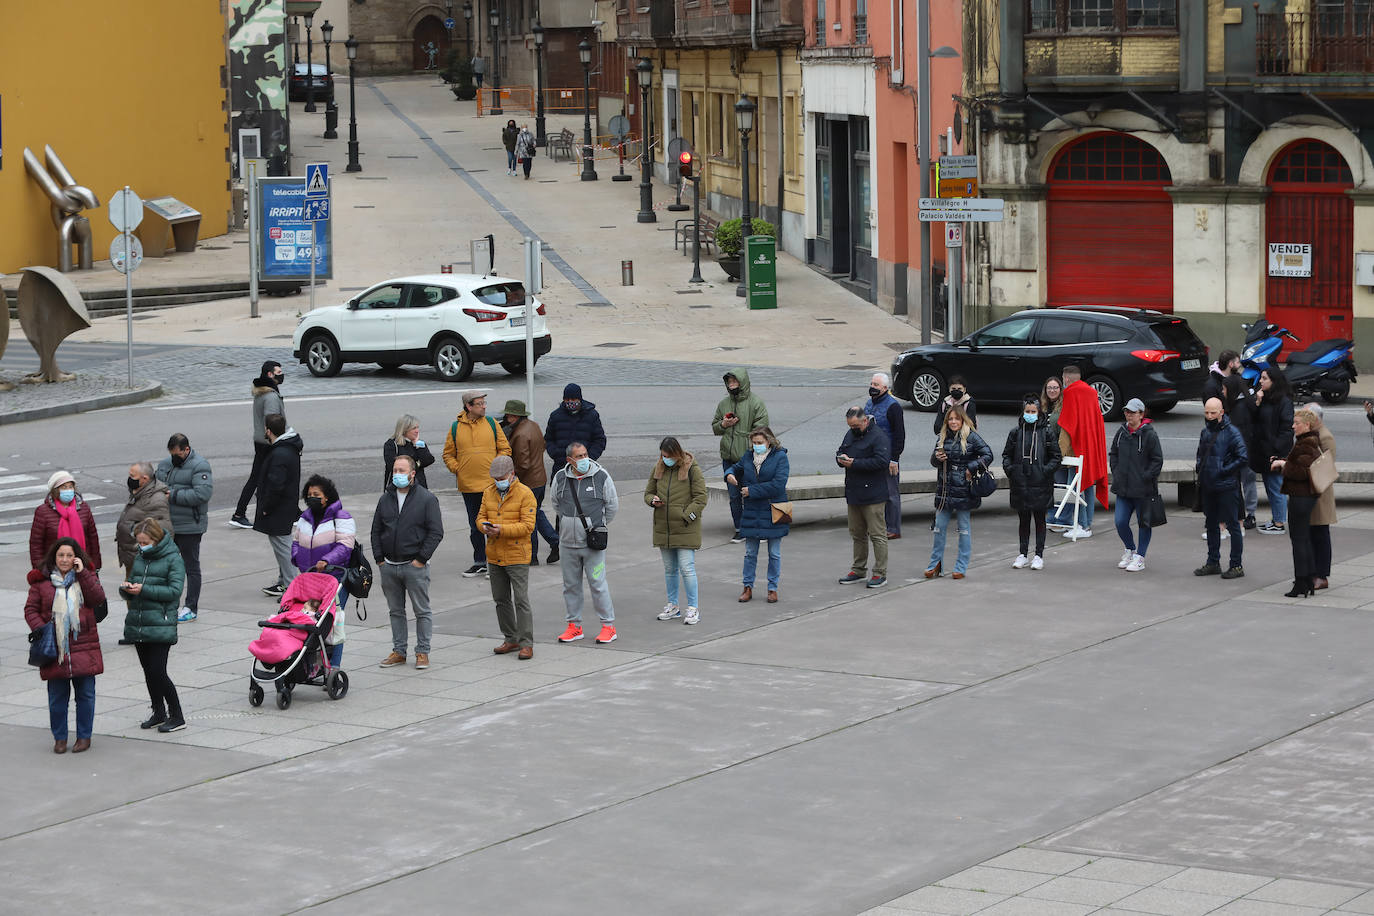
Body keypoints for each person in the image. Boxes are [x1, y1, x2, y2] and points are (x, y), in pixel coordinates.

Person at [25, 537, 105, 754]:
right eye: (61, 555)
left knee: (86, 696)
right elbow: (30, 610)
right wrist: (43, 629)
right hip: (55, 649)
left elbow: (98, 598)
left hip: (84, 646)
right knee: (57, 699)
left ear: (76, 557)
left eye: (69, 555)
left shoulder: (84, 577)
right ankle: (60, 738)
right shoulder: (41, 583)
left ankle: (84, 737)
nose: (65, 559)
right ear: (54, 557)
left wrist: (84, 573)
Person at [373, 455, 445, 670]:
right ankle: (399, 651)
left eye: (402, 471)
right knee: (396, 611)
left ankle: (422, 652)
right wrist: (379, 560)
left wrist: (420, 560)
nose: (397, 475)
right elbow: (376, 530)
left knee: (421, 611)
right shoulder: (385, 499)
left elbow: (436, 532)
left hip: (414, 566)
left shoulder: (427, 499)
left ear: (413, 474)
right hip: (389, 566)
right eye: (395, 470)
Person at [121, 518, 187, 733]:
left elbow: (174, 592)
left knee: (159, 671)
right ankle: (158, 711)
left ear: (156, 539)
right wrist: (126, 589)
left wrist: (144, 590)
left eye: (145, 542)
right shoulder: (141, 558)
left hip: (161, 623)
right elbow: (134, 580)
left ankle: (177, 715)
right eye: (139, 542)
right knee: (148, 671)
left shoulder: (173, 559)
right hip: (140, 621)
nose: (141, 546)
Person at [550, 442, 619, 644]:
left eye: (585, 454)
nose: (584, 459)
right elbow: (556, 503)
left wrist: (597, 525)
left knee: (598, 585)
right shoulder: (560, 478)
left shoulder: (601, 476)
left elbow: (612, 506)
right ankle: (574, 626)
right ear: (569, 460)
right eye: (579, 456)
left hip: (592, 545)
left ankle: (608, 626)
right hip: (567, 544)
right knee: (570, 586)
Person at [443, 390, 512, 577]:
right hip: (468, 485)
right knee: (475, 526)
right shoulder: (456, 427)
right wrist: (458, 468)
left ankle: (496, 563)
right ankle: (480, 561)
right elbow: (448, 454)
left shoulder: (491, 424)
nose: (484, 406)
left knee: (494, 524)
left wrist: (497, 468)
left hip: (491, 485)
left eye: (484, 403)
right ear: (469, 406)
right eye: (480, 403)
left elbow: (504, 448)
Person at [291, 474, 356, 667]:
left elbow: (345, 545)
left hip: (334, 579)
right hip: (309, 578)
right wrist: (296, 557)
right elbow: (296, 541)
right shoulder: (304, 518)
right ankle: (313, 664)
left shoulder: (341, 517)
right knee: (309, 620)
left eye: (316, 494)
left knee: (332, 624)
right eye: (309, 494)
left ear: (326, 497)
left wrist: (326, 560)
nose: (312, 497)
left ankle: (333, 666)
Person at [479, 456, 538, 659]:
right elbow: (479, 517)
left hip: (517, 555)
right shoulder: (488, 492)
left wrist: (501, 530)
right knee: (501, 599)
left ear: (512, 474)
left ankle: (526, 643)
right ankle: (510, 638)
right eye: (494, 477)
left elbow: (528, 526)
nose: (497, 481)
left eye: (501, 477)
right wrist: (484, 527)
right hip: (494, 554)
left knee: (521, 599)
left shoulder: (525, 494)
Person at [645, 436, 708, 622]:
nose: (665, 458)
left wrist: (686, 516)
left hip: (685, 528)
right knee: (669, 569)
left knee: (687, 568)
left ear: (677, 453)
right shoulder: (658, 468)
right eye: (663, 455)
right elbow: (648, 493)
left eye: (668, 455)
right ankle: (673, 605)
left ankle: (693, 607)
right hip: (664, 528)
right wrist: (652, 501)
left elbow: (701, 498)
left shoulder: (692, 468)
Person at [927, 406, 993, 580]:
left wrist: (971, 467)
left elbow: (988, 454)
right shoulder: (942, 437)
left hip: (964, 489)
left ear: (963, 420)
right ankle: (935, 564)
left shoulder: (971, 436)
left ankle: (961, 566)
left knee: (963, 529)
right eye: (950, 419)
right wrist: (936, 458)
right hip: (945, 489)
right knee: (938, 528)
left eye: (957, 419)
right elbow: (933, 461)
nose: (953, 422)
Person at [726, 427, 789, 603]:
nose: (756, 446)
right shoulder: (748, 456)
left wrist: (751, 490)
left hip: (775, 508)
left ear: (769, 441)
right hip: (753, 510)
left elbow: (778, 484)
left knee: (774, 553)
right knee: (750, 553)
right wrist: (729, 474)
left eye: (759, 443)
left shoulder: (780, 457)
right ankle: (747, 587)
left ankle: (772, 588)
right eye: (754, 443)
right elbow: (735, 468)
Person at [157, 434, 213, 622]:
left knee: (191, 567)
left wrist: (172, 495)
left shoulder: (200, 465)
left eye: (177, 453)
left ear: (186, 449)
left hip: (190, 525)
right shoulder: (166, 464)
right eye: (171, 453)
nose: (174, 457)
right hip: (167, 524)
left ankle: (191, 607)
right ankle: (165, 605)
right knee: (164, 566)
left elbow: (202, 494)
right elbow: (156, 485)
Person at [1003, 396, 1063, 570]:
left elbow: (1056, 457)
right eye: (1027, 411)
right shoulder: (1016, 432)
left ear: (1039, 412)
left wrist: (1044, 471)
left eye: (1033, 412)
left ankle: (1039, 554)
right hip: (1020, 482)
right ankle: (1022, 553)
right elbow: (1007, 454)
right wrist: (1011, 470)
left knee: (1039, 520)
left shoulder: (1047, 432)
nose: (1030, 414)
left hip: (1040, 483)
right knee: (1023, 520)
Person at [1271, 408, 1325, 597]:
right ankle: (1308, 579)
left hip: (1301, 497)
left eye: (1297, 423)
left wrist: (1283, 465)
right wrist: (1284, 463)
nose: (1293, 426)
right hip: (1304, 497)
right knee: (1303, 539)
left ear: (1307, 425)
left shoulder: (1306, 444)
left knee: (1299, 540)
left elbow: (1301, 472)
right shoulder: (1307, 441)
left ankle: (1301, 582)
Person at [836, 406, 891, 588]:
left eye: (855, 425)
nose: (852, 429)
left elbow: (882, 462)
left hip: (874, 494)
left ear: (865, 421)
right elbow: (841, 449)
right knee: (857, 534)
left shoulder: (879, 437)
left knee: (877, 535)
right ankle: (858, 570)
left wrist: (855, 463)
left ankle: (880, 573)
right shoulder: (850, 434)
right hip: (854, 492)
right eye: (850, 426)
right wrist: (840, 459)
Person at [712, 369, 769, 543]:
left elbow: (762, 430)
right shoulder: (724, 404)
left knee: (752, 493)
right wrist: (724, 424)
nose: (731, 385)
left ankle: (759, 529)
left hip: (748, 458)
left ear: (742, 382)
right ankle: (740, 528)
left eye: (734, 381)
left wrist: (748, 444)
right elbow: (715, 427)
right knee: (734, 495)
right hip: (728, 457)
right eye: (729, 382)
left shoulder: (756, 403)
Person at [1195, 397, 1248, 579]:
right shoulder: (1205, 432)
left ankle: (1236, 565)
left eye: (1213, 413)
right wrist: (1200, 468)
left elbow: (1242, 457)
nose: (1209, 416)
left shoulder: (1232, 432)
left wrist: (1223, 470)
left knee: (1233, 525)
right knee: (1211, 524)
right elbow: (1200, 453)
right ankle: (1213, 562)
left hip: (1226, 486)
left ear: (1221, 412)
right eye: (1206, 412)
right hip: (1209, 485)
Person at [1052, 365, 1108, 537]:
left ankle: (1081, 525)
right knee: (1087, 487)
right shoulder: (1091, 392)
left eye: (1063, 379)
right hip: (1091, 448)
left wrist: (1059, 454)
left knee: (1074, 487)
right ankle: (1086, 524)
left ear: (1067, 378)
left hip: (1075, 450)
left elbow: (1067, 426)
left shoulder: (1070, 393)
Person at [1109, 398, 1163, 573]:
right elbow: (1114, 454)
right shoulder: (1122, 432)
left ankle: (1140, 556)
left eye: (1132, 412)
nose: (1128, 415)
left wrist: (1144, 477)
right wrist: (1116, 472)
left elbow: (1157, 460)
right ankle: (1130, 549)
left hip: (1143, 490)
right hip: (1123, 488)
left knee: (1144, 523)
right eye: (1126, 411)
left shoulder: (1150, 434)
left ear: (1141, 414)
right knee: (1120, 522)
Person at [502, 399, 559, 564]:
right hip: (539, 478)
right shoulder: (533, 425)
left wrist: (511, 477)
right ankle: (554, 542)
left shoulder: (520, 434)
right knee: (536, 514)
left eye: (508, 415)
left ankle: (533, 555)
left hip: (529, 482)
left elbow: (523, 464)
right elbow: (542, 446)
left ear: (514, 416)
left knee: (529, 518)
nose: (506, 418)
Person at [231, 360, 285, 528]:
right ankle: (240, 513)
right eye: (278, 372)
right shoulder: (270, 396)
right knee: (276, 477)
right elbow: (272, 421)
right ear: (270, 374)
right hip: (268, 443)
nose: (282, 374)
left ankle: (241, 512)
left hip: (261, 441)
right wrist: (280, 439)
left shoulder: (262, 393)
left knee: (262, 478)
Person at [255, 414, 304, 598]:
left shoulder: (279, 453)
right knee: (282, 546)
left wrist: (266, 506)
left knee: (284, 548)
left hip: (278, 509)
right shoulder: (287, 449)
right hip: (285, 507)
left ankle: (292, 587)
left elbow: (276, 485)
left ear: (268, 430)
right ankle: (284, 582)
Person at [1249, 367, 1295, 535]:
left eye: (1264, 378)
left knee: (1276, 486)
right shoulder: (1265, 398)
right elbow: (1254, 420)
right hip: (1263, 451)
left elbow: (1286, 430)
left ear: (1274, 381)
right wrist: (1257, 402)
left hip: (1275, 452)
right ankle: (1276, 518)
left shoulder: (1284, 401)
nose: (1260, 381)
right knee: (1270, 485)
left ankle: (1279, 522)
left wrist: (1277, 451)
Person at [30, 470, 102, 572]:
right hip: (54, 569)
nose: (68, 490)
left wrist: (95, 565)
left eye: (70, 487)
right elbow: (36, 544)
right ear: (55, 490)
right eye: (64, 487)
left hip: (82, 566)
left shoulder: (83, 508)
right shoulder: (43, 512)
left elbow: (93, 538)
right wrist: (40, 569)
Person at [115, 462, 173, 577]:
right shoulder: (139, 492)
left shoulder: (156, 500)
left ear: (145, 479)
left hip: (142, 562)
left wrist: (132, 530)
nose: (129, 479)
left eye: (132, 476)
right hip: (131, 557)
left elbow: (162, 532)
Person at [866, 372, 906, 539]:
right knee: (874, 493)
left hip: (888, 457)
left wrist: (894, 459)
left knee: (891, 494)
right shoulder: (868, 404)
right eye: (872, 384)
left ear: (885, 388)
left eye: (876, 385)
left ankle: (893, 528)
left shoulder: (893, 407)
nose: (873, 387)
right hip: (872, 456)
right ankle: (877, 526)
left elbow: (899, 435)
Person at [1302, 402, 1337, 590]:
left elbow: (1326, 466)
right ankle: (1312, 572)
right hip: (1309, 492)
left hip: (1319, 495)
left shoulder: (1325, 437)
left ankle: (1322, 575)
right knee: (1311, 535)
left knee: (1320, 535)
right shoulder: (1311, 434)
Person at [544, 383, 607, 466]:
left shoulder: (591, 415)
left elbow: (599, 440)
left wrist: (588, 458)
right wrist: (556, 455)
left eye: (573, 399)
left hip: (585, 466)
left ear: (579, 399)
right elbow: (548, 439)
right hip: (561, 465)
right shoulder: (555, 416)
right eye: (567, 399)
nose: (570, 402)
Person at [383, 414, 435, 491]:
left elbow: (429, 460)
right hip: (397, 488)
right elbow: (393, 465)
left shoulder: (418, 443)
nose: (417, 431)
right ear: (404, 430)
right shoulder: (391, 445)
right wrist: (417, 464)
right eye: (414, 428)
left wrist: (418, 446)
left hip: (419, 487)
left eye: (417, 427)